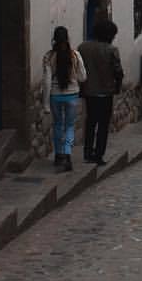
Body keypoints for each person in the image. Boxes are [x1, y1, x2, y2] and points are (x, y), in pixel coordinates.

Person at [78, 18, 123, 166]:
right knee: (103, 125)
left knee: (90, 122)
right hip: (105, 92)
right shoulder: (111, 50)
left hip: (89, 91)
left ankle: (87, 152)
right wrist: (118, 87)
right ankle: (98, 155)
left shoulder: (83, 47)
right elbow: (118, 71)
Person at [42, 26, 87, 173]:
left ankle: (58, 154)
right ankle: (67, 154)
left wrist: (45, 103)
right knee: (69, 126)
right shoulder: (75, 55)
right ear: (67, 38)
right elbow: (83, 77)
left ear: (54, 38)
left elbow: (47, 81)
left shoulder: (48, 57)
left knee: (57, 125)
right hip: (72, 95)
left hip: (55, 95)